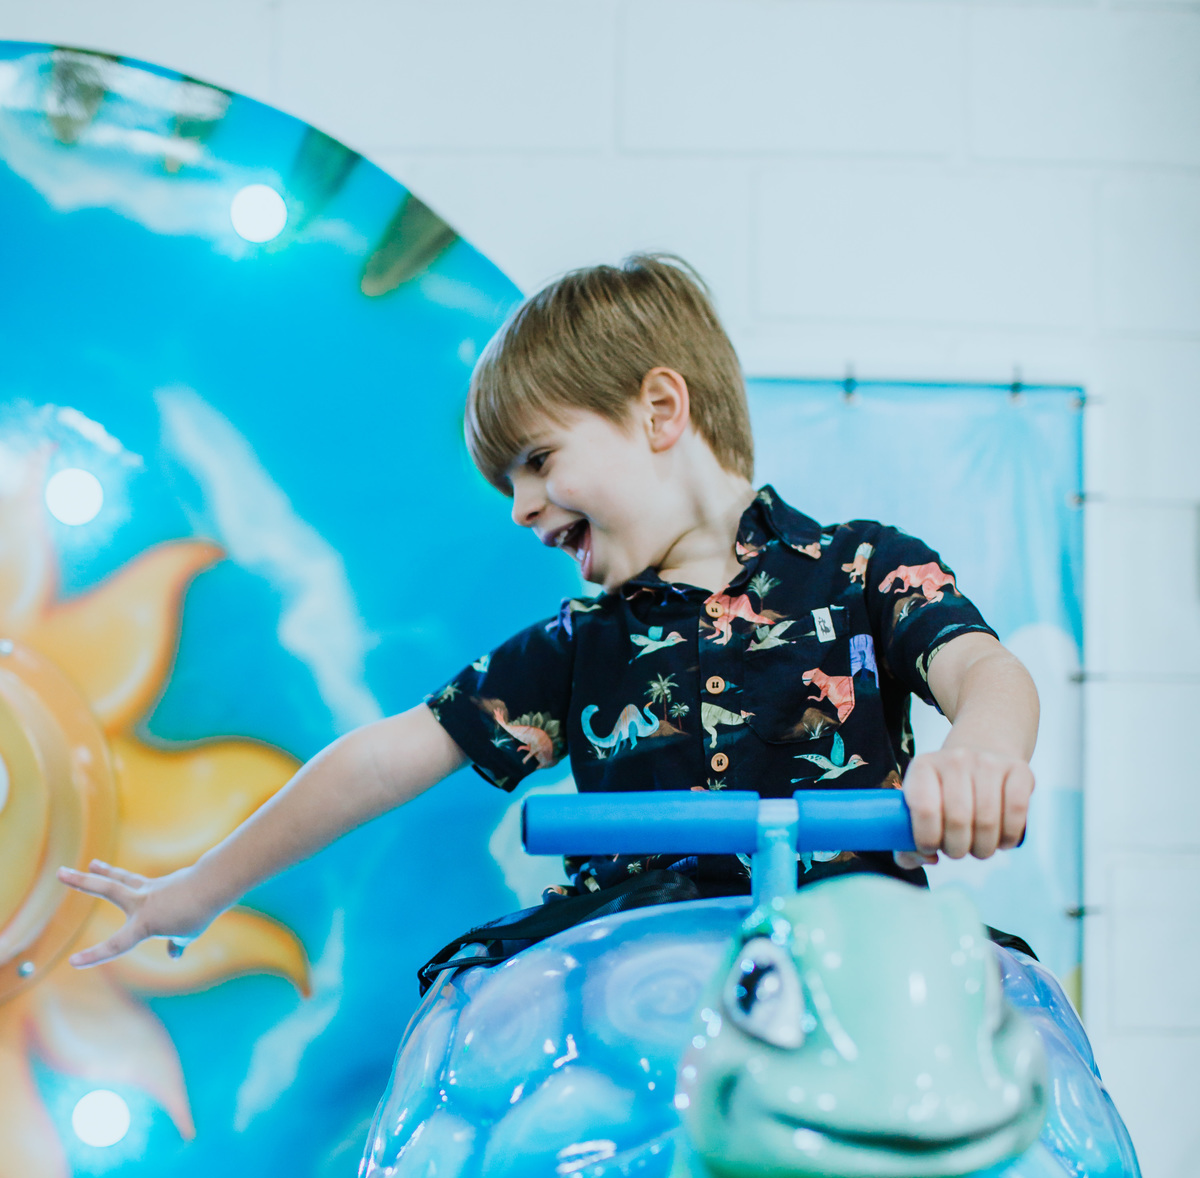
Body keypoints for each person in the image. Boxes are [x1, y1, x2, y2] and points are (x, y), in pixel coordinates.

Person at [58, 254, 1037, 972]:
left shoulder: (865, 568)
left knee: (1017, 1032)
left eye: (538, 461)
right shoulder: (580, 648)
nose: (522, 507)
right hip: (627, 957)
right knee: (469, 1029)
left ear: (660, 413)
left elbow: (983, 671)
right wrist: (199, 887)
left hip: (855, 948)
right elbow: (383, 758)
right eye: (508, 483)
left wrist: (981, 753)